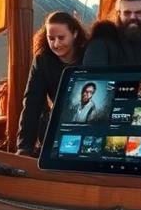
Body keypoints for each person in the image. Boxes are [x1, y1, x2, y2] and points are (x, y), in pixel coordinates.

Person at [16, 11, 88, 156]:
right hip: (56, 127)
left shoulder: (89, 54)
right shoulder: (42, 60)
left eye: (61, 38)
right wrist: (24, 146)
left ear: (74, 34)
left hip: (88, 124)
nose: (56, 44)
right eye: (51, 38)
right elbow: (32, 103)